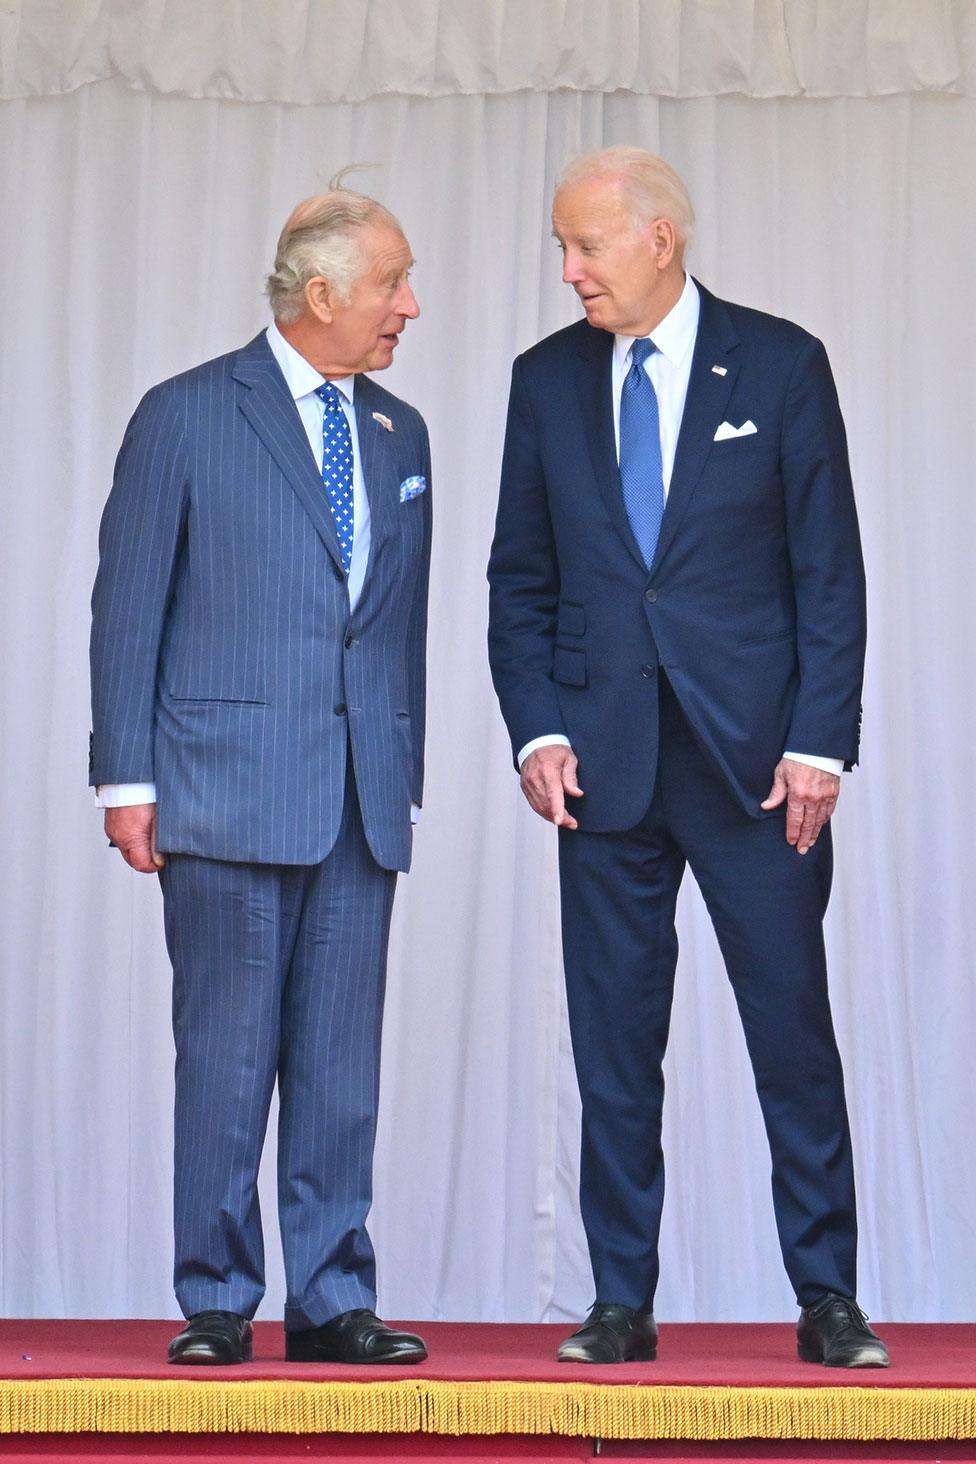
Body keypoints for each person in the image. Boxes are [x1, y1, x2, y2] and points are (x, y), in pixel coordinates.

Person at [487, 147, 887, 1368]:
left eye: (586, 246)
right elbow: (519, 580)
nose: (568, 272)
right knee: (613, 1049)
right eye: (560, 248)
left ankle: (826, 1297)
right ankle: (620, 1300)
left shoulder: (779, 362)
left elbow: (829, 574)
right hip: (604, 773)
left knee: (791, 1038)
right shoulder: (544, 380)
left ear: (659, 237)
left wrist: (821, 742)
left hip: (757, 771)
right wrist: (539, 728)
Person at [90, 181, 432, 1366]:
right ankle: (219, 1298)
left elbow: (398, 627)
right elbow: (127, 607)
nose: (410, 306)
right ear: (322, 292)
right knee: (229, 1061)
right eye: (393, 282)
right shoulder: (186, 414)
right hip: (222, 793)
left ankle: (334, 1296)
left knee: (341, 1070)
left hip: (358, 799)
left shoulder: (401, 433)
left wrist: (404, 768)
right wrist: (123, 780)